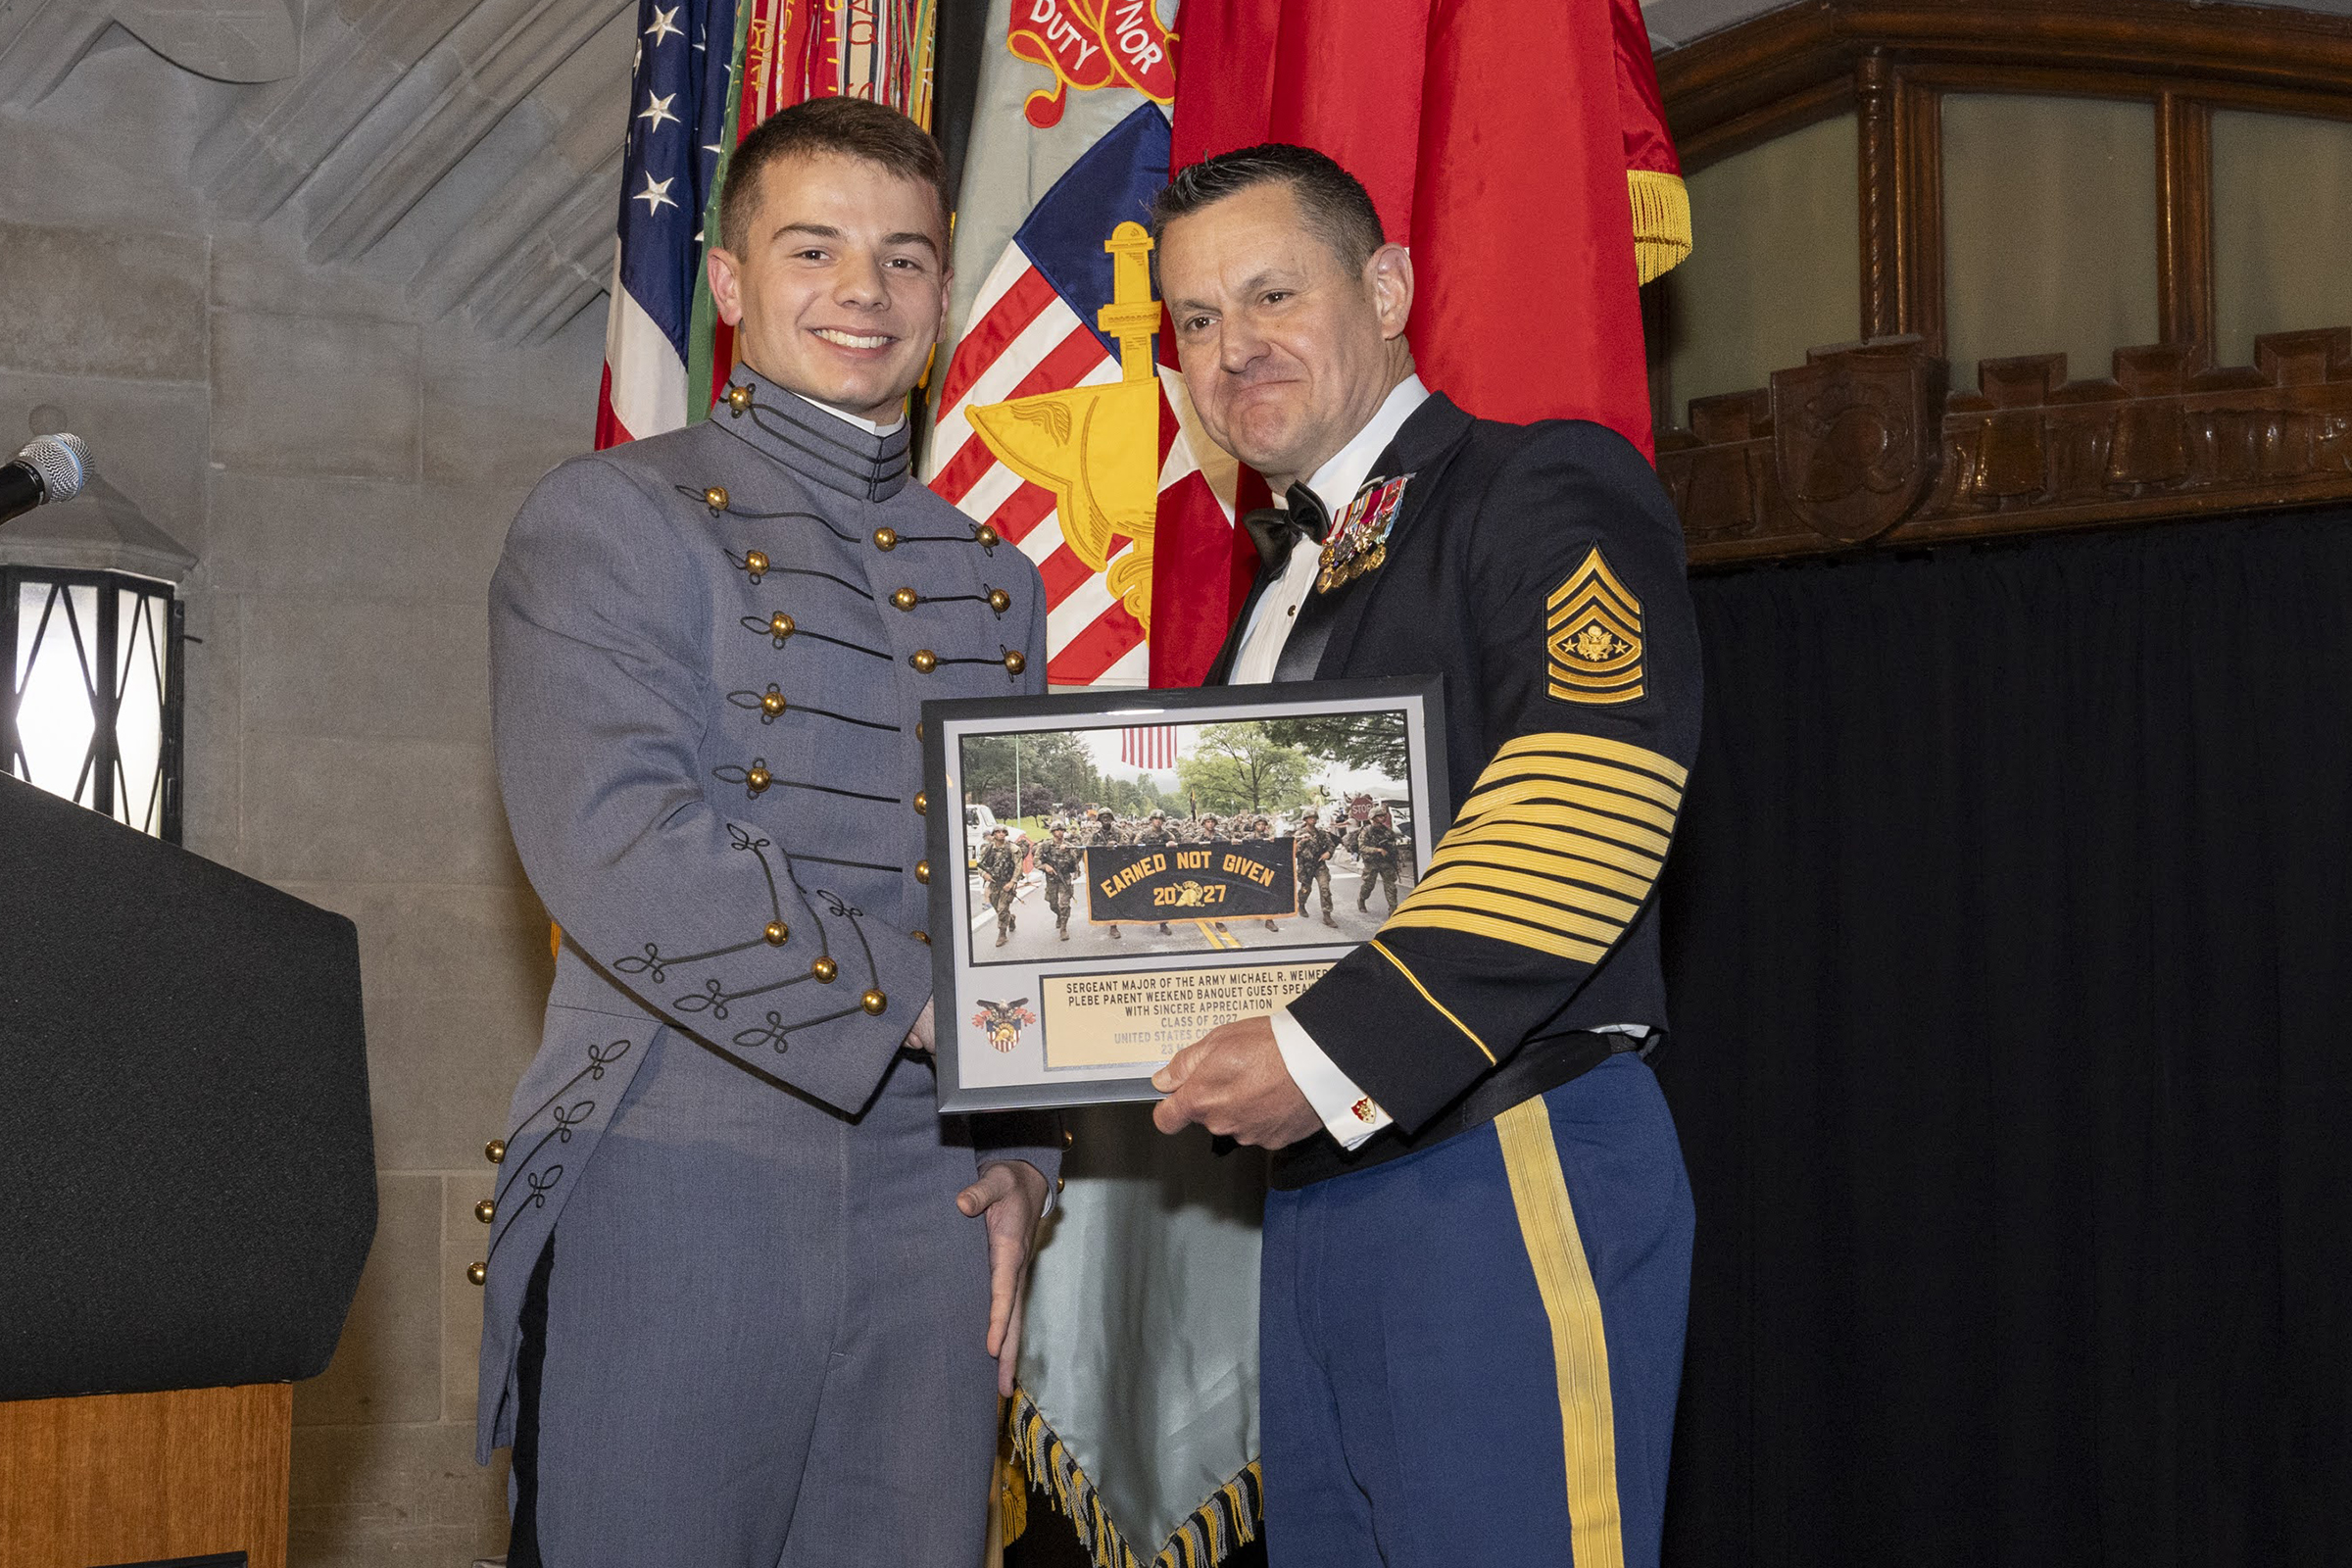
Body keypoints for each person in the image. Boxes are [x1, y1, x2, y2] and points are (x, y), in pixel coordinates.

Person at [476, 98, 1058, 1568]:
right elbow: (626, 848)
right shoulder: (612, 517)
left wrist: (1027, 1153)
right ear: (730, 288)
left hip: (937, 1198)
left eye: (906, 259)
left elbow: (1026, 901)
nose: (864, 294)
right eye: (815, 250)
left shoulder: (996, 575)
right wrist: (940, 1009)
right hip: (678, 1167)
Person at [1148, 143, 1701, 1568]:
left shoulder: (1538, 486)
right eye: (1196, 322)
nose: (1233, 349)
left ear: (1386, 286)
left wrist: (1323, 1054)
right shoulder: (1274, 588)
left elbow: (1587, 803)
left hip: (1502, 1159)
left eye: (1272, 294)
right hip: (1322, 1192)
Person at [1035, 821, 1082, 942]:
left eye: (1061, 830)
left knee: (1064, 905)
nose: (1059, 832)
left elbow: (1075, 861)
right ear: (1052, 832)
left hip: (1064, 878)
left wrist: (1067, 851)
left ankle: (1063, 928)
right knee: (1053, 904)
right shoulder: (1045, 846)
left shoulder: (1069, 845)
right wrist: (1045, 866)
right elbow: (1035, 861)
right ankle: (1059, 916)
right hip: (1051, 880)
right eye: (1057, 830)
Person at [979, 823, 1023, 947]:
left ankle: (1002, 935)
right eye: (998, 832)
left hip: (1007, 883)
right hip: (993, 883)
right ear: (993, 834)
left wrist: (1012, 882)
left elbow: (1018, 866)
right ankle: (1011, 919)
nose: (1001, 834)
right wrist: (984, 874)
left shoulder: (1013, 848)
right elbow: (981, 865)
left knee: (1002, 908)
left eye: (1003, 832)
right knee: (997, 908)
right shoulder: (987, 849)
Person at [1135, 809, 1177, 934]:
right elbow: (1135, 848)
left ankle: (1163, 924)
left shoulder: (1168, 835)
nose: (1158, 821)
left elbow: (1177, 850)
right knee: (1147, 896)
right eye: (1155, 819)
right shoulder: (1144, 834)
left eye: (1160, 819)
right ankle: (1147, 919)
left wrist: (1172, 845)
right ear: (1151, 820)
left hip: (1163, 871)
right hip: (1147, 869)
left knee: (1163, 897)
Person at [1355, 806, 1400, 915]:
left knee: (1391, 886)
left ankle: (1393, 909)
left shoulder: (1388, 832)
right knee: (1368, 886)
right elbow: (1362, 847)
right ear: (1373, 817)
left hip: (1386, 862)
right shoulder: (1366, 831)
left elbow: (1393, 848)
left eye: (1384, 816)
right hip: (1371, 863)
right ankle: (1361, 899)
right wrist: (1377, 850)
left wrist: (1397, 861)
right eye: (1380, 816)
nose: (1383, 818)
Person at [1293, 815, 1336, 927]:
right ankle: (1301, 904)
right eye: (1310, 818)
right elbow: (1294, 851)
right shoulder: (1299, 833)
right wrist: (1302, 841)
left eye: (1315, 818)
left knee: (1324, 888)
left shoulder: (1321, 833)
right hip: (1306, 866)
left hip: (1320, 865)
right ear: (1305, 820)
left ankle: (1327, 915)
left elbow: (1331, 845)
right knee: (1306, 889)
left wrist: (1328, 853)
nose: (1313, 820)